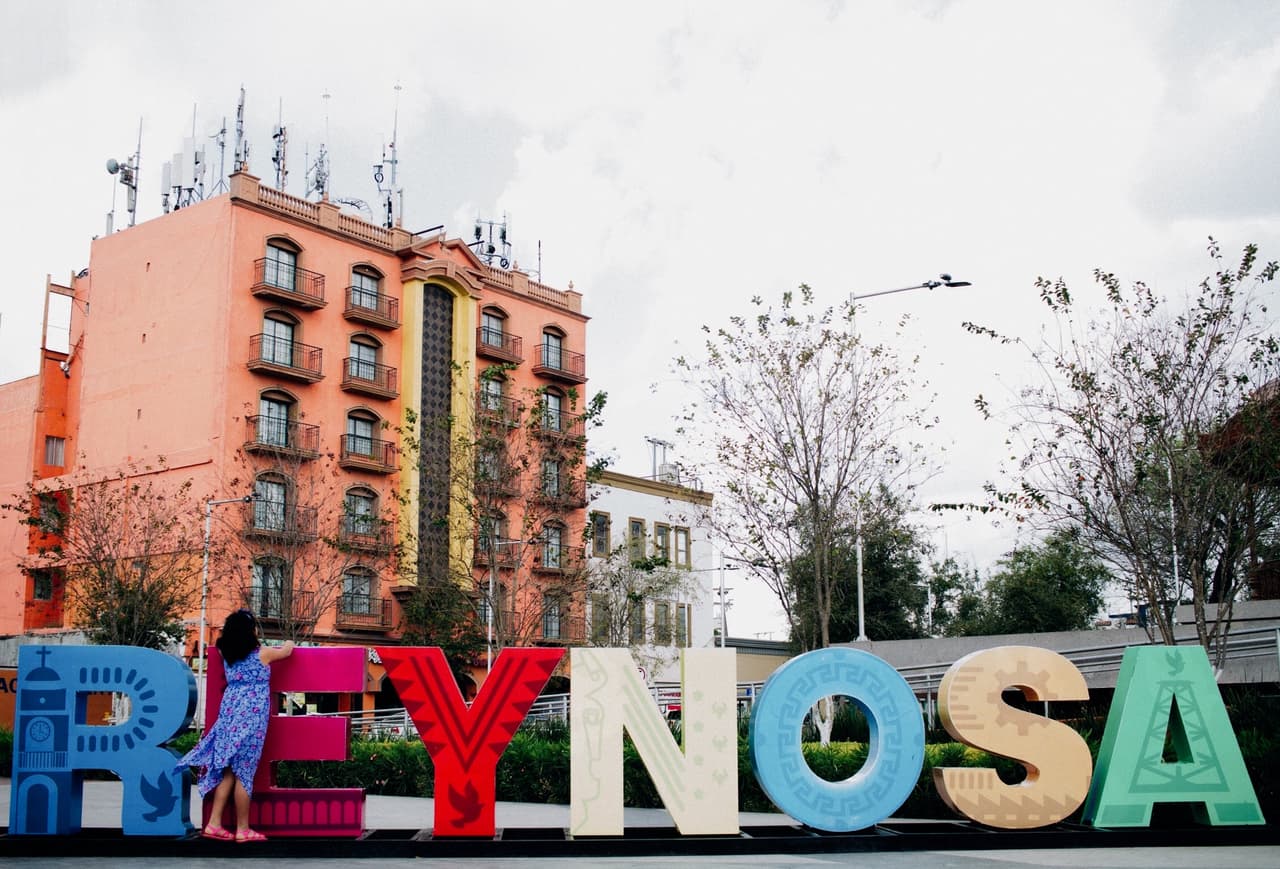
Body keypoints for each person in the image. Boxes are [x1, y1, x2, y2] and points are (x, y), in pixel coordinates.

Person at [177, 608, 294, 842]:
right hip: (251, 721)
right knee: (244, 774)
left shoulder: (224, 652)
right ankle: (242, 829)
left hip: (229, 716)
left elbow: (225, 641)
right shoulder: (264, 654)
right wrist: (289, 639)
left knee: (228, 771)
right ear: (250, 632)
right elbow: (288, 651)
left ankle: (214, 824)